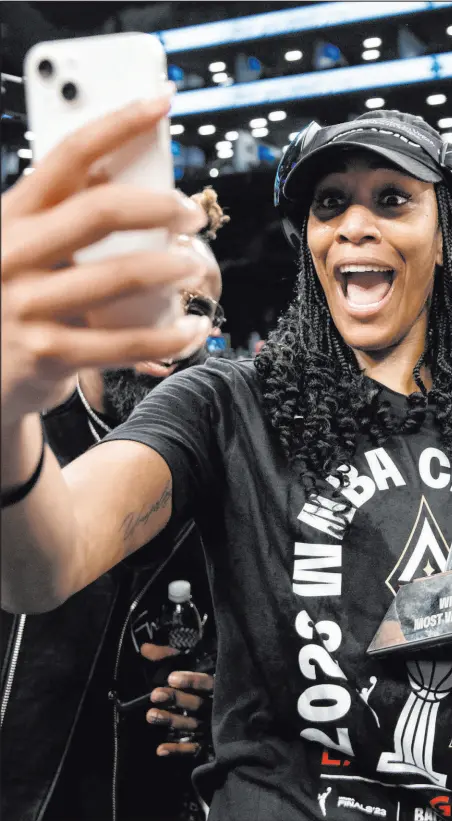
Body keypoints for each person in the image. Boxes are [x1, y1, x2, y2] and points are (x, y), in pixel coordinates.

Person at [2, 100, 452, 821]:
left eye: (392, 199)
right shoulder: (228, 405)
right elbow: (45, 565)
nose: (353, 224)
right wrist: (7, 417)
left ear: (447, 236)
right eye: (329, 202)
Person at [0, 184, 226, 821]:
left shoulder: (225, 459)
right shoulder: (18, 425)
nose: (169, 325)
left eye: (195, 305)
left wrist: (228, 702)